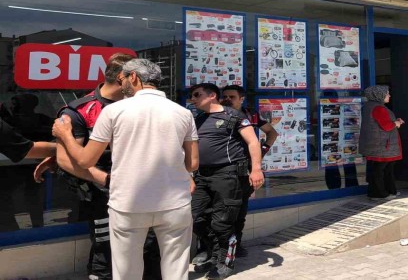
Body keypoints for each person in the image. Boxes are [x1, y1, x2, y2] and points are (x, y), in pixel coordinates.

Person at [53, 59, 199, 280]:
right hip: (175, 204)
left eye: (122, 79)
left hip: (129, 204)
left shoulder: (114, 111)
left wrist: (65, 135)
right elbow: (192, 163)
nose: (121, 84)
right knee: (176, 269)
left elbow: (84, 160)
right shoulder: (183, 113)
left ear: (134, 77)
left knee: (126, 271)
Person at [41, 52, 164, 280]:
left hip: (144, 191)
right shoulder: (80, 110)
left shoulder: (142, 106)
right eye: (140, 78)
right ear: (124, 78)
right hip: (102, 193)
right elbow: (66, 160)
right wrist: (105, 180)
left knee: (149, 247)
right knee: (106, 249)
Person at [189, 83, 263, 279]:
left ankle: (225, 261)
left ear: (212, 95)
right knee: (194, 217)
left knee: (222, 221)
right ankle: (215, 253)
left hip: (227, 174)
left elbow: (253, 142)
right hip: (202, 175)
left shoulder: (234, 116)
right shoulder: (199, 119)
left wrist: (256, 169)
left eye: (197, 94)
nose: (193, 99)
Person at [220, 84, 278, 258]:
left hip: (245, 169)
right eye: (225, 97)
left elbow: (272, 133)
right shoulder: (217, 114)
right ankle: (214, 248)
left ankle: (236, 246)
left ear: (241, 99)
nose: (227, 100)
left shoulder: (251, 115)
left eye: (232, 97)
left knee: (240, 211)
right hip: (222, 169)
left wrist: (263, 150)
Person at [358, 85, 403, 199]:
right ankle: (379, 193)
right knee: (381, 170)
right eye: (387, 93)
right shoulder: (379, 108)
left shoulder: (368, 106)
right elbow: (387, 126)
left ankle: (389, 191)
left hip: (377, 144)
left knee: (383, 169)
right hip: (382, 145)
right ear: (379, 95)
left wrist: (395, 121)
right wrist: (396, 123)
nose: (389, 95)